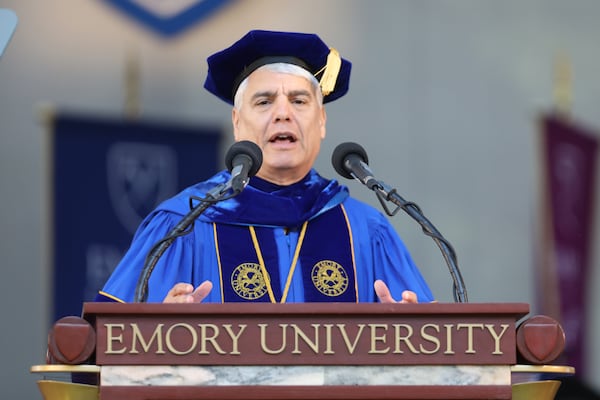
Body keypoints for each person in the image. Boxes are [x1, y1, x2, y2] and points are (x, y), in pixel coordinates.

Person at [97, 29, 434, 305]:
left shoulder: (367, 230)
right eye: (264, 101)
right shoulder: (182, 224)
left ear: (321, 122)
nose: (283, 113)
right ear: (236, 122)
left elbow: (440, 353)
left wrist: (410, 335)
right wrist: (154, 331)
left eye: (299, 101)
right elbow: (105, 351)